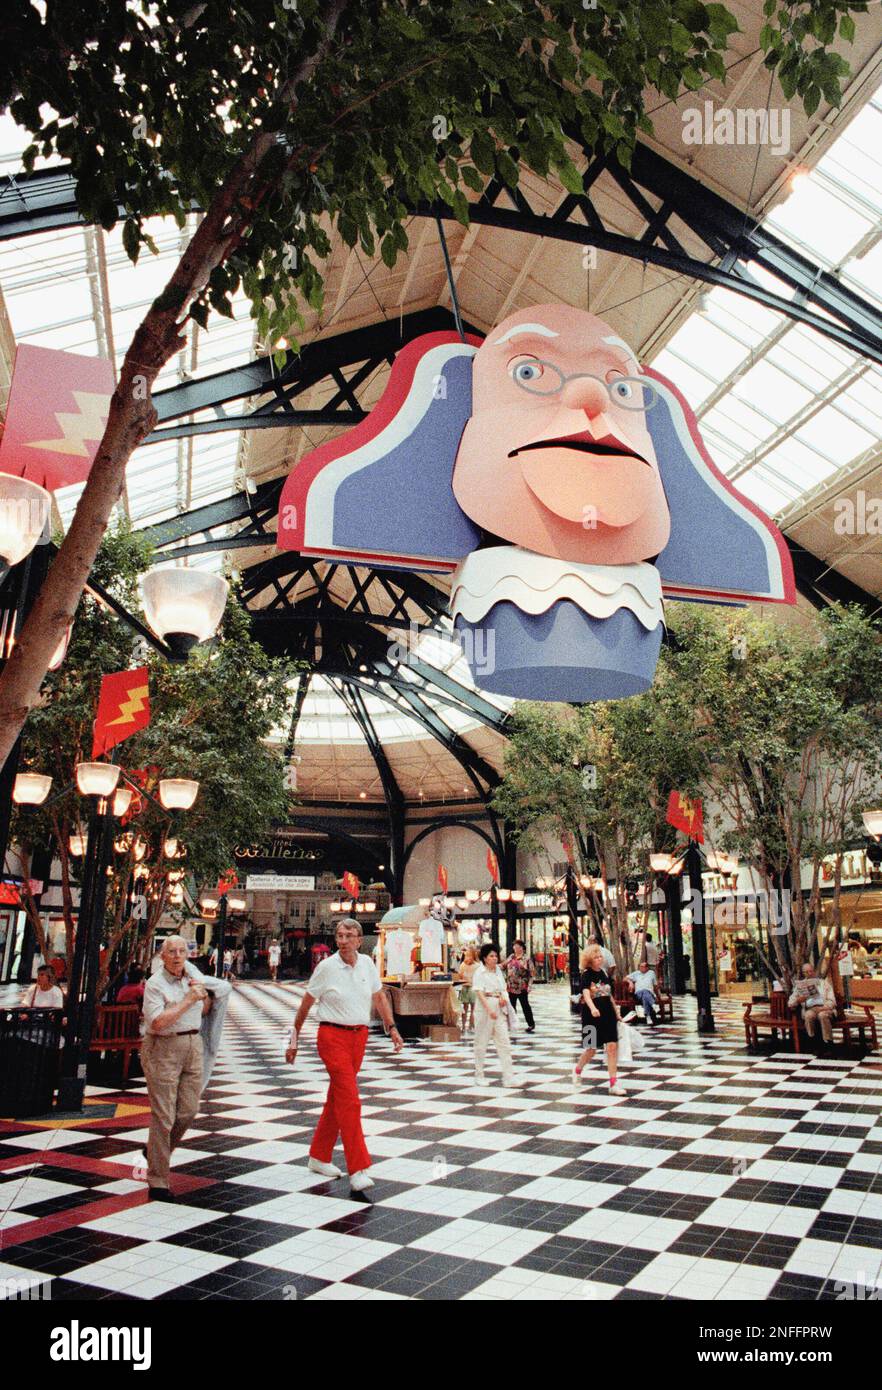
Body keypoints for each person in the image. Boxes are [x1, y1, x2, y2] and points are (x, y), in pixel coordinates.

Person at [286, 918, 402, 1194]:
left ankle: (319, 1156)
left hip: (358, 1038)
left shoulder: (367, 964)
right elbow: (305, 1004)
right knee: (350, 1099)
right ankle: (358, 1168)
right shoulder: (326, 968)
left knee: (337, 1098)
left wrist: (393, 1028)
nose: (344, 940)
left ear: (360, 940)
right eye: (339, 935)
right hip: (331, 1036)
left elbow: (379, 997)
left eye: (350, 935)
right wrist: (293, 1040)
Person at [141, 937, 230, 1201]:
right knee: (164, 1114)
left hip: (193, 1044)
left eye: (182, 951)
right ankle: (158, 1179)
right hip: (164, 1047)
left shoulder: (193, 978)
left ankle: (156, 1150)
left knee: (189, 1110)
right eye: (172, 952)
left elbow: (206, 1007)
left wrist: (203, 1000)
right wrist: (189, 1000)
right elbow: (157, 1023)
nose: (178, 956)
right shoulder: (155, 985)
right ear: (162, 956)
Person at [572, 943, 626, 1096]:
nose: (599, 959)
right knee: (591, 1049)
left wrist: (617, 1013)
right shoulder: (586, 974)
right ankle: (577, 1070)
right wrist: (592, 1008)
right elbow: (586, 994)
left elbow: (609, 996)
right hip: (591, 1017)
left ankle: (613, 1084)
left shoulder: (603, 973)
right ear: (589, 960)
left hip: (608, 1014)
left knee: (611, 1047)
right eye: (595, 957)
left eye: (600, 956)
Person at [472, 942, 516, 1086]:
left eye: (496, 956)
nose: (494, 958)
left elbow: (503, 988)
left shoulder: (497, 970)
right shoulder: (479, 972)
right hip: (485, 1009)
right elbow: (479, 992)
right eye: (491, 956)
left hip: (499, 1007)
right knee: (481, 1042)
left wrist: (504, 999)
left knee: (504, 1042)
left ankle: (508, 1077)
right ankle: (479, 1075)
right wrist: (488, 1009)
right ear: (484, 958)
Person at [788, 962, 836, 1047]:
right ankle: (813, 1042)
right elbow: (790, 1003)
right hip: (810, 1009)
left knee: (822, 1015)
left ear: (814, 971)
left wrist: (824, 1008)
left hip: (824, 1008)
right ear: (803, 973)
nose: (809, 974)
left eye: (810, 971)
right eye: (806, 972)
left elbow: (832, 1000)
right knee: (809, 1015)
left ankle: (828, 1043)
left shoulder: (824, 983)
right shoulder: (800, 985)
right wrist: (798, 1000)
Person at [504, 939, 535, 1032]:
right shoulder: (511, 957)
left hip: (522, 986)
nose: (515, 948)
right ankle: (513, 1024)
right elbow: (504, 965)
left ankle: (531, 1024)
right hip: (511, 986)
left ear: (522, 948)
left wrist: (529, 985)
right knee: (511, 1006)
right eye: (514, 946)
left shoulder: (527, 959)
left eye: (517, 947)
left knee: (525, 1005)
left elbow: (532, 974)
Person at [458, 945, 478, 1032]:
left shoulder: (463, 964)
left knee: (465, 1008)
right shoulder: (477, 965)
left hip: (464, 987)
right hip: (473, 987)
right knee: (473, 1008)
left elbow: (460, 976)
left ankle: (463, 1026)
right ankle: (471, 1026)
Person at [837, 940, 854, 1008]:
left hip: (845, 972)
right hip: (842, 974)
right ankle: (847, 1004)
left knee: (847, 987)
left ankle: (848, 1004)